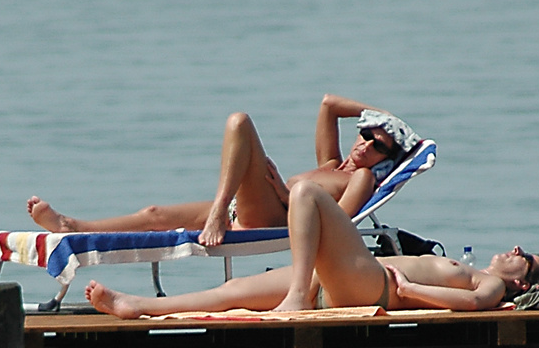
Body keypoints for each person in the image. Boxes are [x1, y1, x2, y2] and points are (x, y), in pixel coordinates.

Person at [85, 180, 539, 319]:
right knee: (237, 290)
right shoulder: (481, 269)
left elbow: (474, 304)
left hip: (373, 286)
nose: (516, 249)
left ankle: (295, 294)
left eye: (527, 256)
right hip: (349, 280)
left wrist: (412, 289)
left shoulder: (494, 285)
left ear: (524, 281)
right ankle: (141, 306)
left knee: (309, 194)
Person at [26, 94, 421, 248]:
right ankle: (71, 225)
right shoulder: (331, 165)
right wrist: (384, 116)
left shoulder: (361, 179)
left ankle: (218, 210)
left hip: (270, 215)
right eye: (365, 134)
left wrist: (285, 197)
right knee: (154, 215)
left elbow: (342, 219)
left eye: (377, 145)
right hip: (245, 208)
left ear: (385, 159)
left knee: (239, 122)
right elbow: (328, 105)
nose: (365, 144)